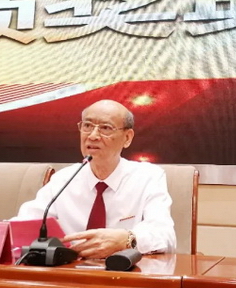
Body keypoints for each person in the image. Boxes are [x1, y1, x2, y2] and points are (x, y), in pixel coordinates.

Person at [16, 99, 176, 259]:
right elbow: (23, 226)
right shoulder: (64, 179)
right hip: (70, 270)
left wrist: (127, 239)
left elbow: (165, 236)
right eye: (87, 126)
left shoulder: (148, 177)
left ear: (127, 137)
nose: (92, 136)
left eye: (106, 128)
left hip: (124, 270)